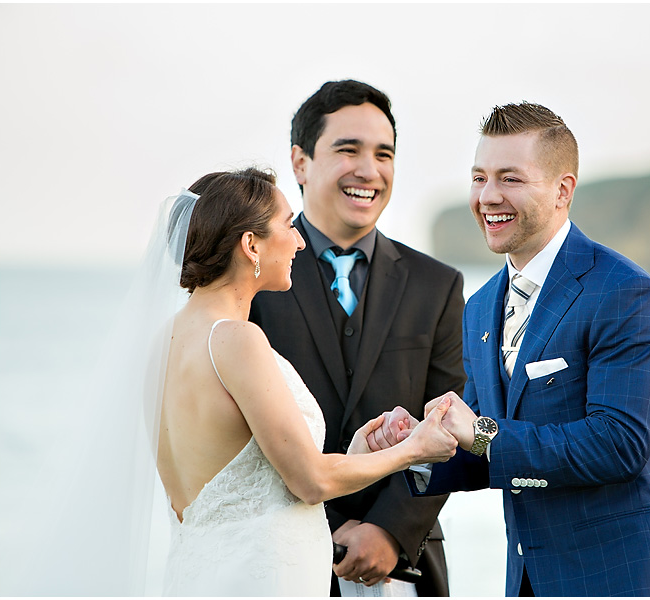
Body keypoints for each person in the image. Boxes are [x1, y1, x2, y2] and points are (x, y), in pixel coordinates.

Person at [372, 103, 650, 596]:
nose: (488, 196)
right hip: (530, 582)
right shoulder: (481, 306)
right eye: (479, 177)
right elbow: (491, 444)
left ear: (562, 190)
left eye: (510, 178)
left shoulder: (626, 294)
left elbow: (619, 445)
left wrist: (480, 431)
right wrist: (414, 449)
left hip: (630, 580)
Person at [156, 167, 459, 595]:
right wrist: (414, 450)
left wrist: (356, 454)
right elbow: (310, 481)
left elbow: (241, 472)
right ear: (251, 245)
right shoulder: (237, 339)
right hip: (258, 578)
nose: (299, 240)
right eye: (286, 225)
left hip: (199, 573)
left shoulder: (162, 344)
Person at [249, 80, 465, 596]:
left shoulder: (438, 285)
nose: (369, 170)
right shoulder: (250, 278)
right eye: (348, 149)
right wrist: (322, 530)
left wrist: (390, 529)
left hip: (403, 568)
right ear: (300, 163)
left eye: (383, 154)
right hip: (274, 558)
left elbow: (453, 418)